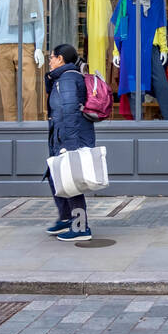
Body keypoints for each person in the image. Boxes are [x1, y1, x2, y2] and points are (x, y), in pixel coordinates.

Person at [44, 43, 95, 243]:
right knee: (57, 177)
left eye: (51, 57)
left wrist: (70, 145)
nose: (49, 61)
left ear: (60, 59)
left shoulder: (67, 79)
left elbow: (70, 110)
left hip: (68, 138)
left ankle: (81, 227)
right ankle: (66, 218)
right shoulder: (63, 77)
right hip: (61, 136)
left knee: (70, 181)